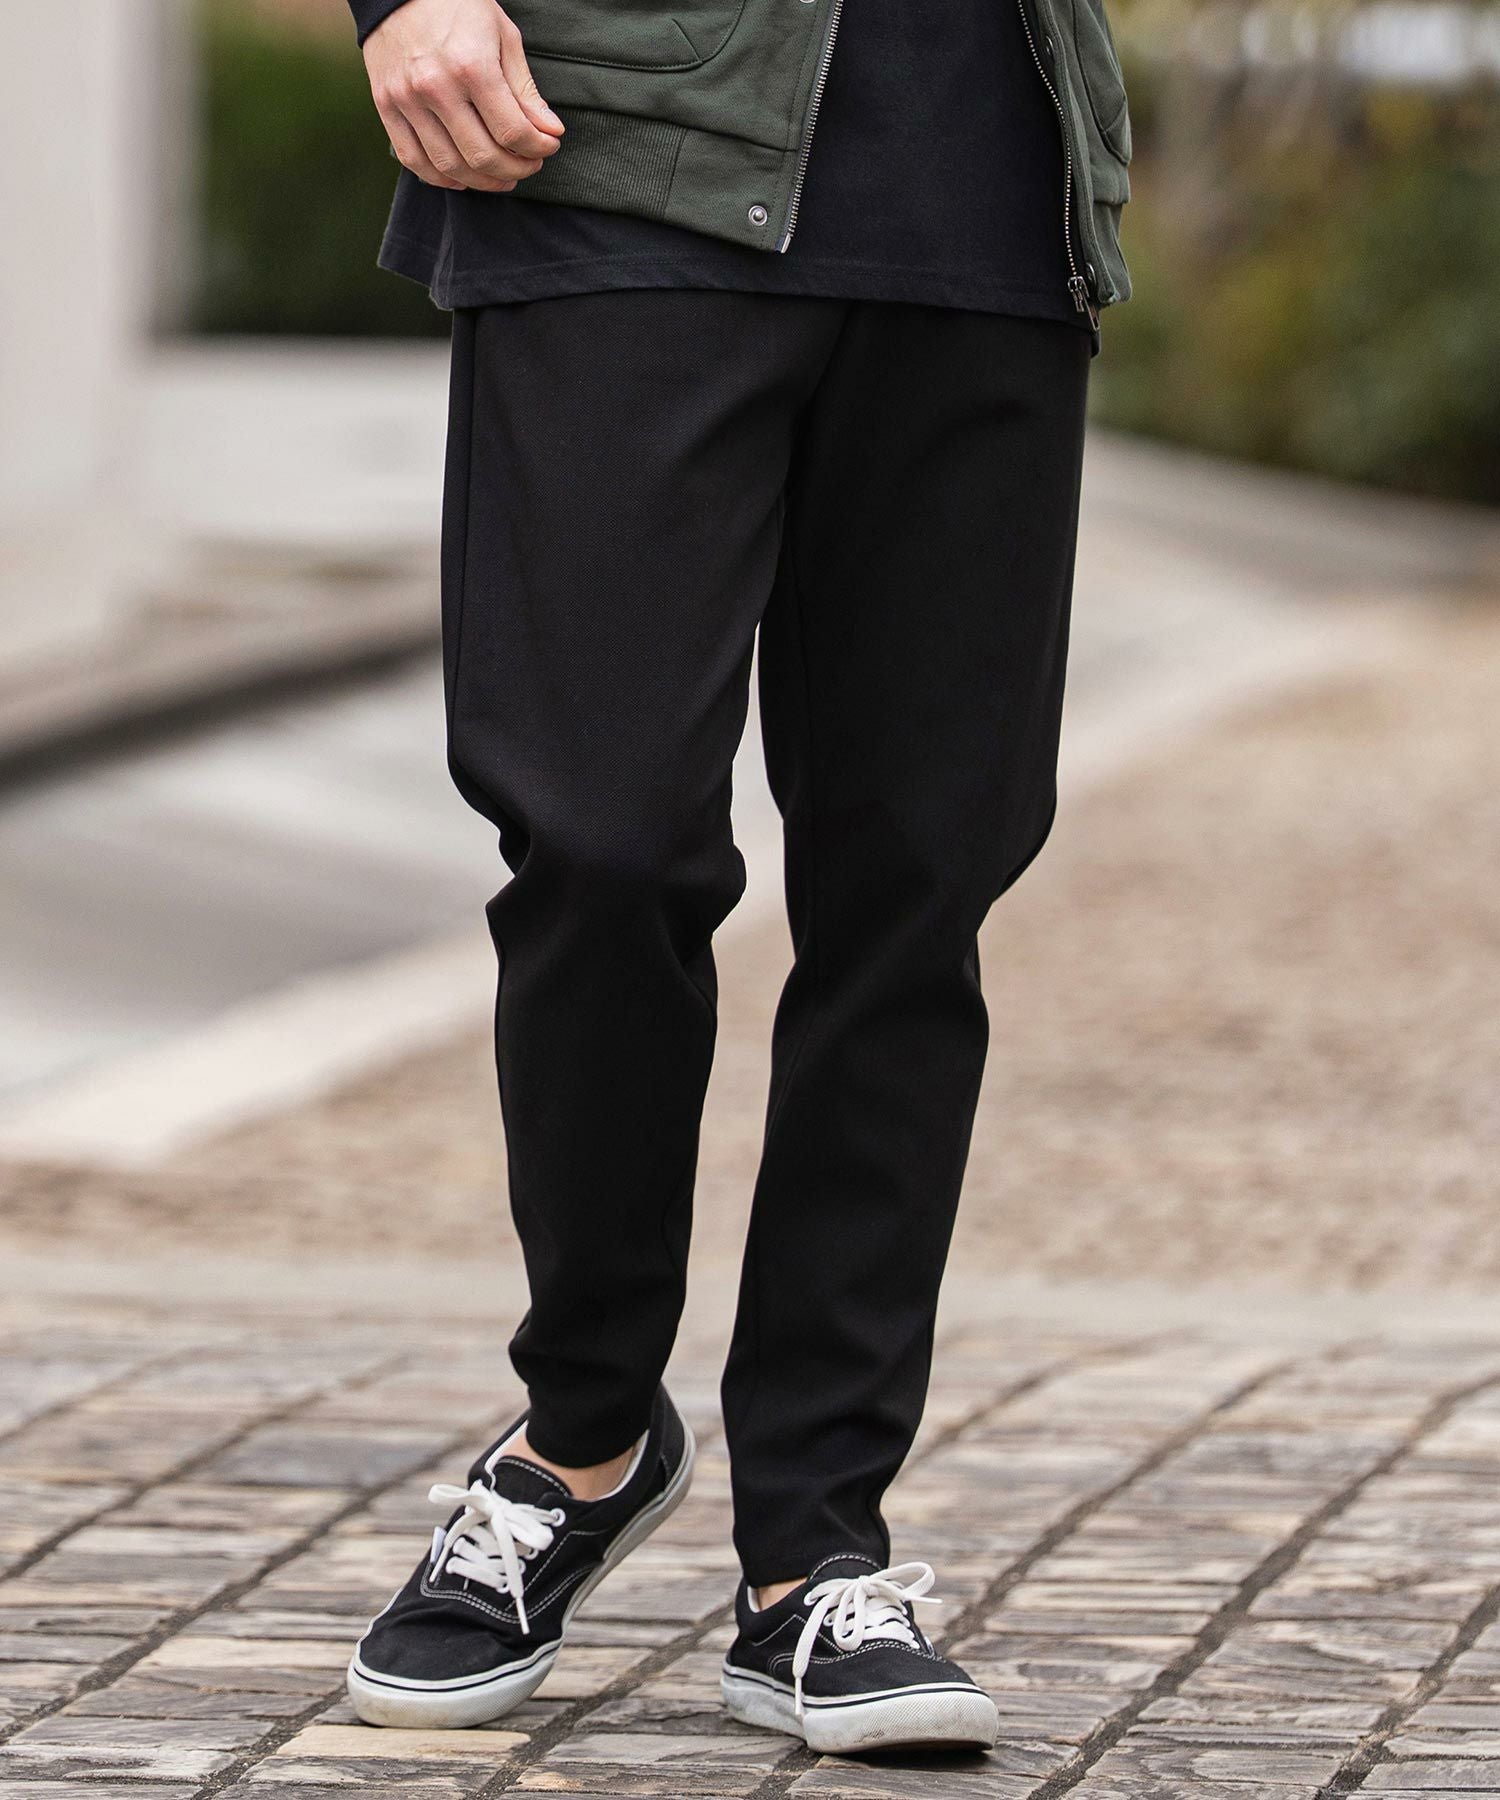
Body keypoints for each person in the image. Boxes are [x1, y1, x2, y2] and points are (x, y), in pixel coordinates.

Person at [340, 0, 1131, 1757]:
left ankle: (817, 1552)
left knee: (914, 893)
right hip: (614, 159)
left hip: (985, 198)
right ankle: (581, 1438)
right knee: (601, 841)